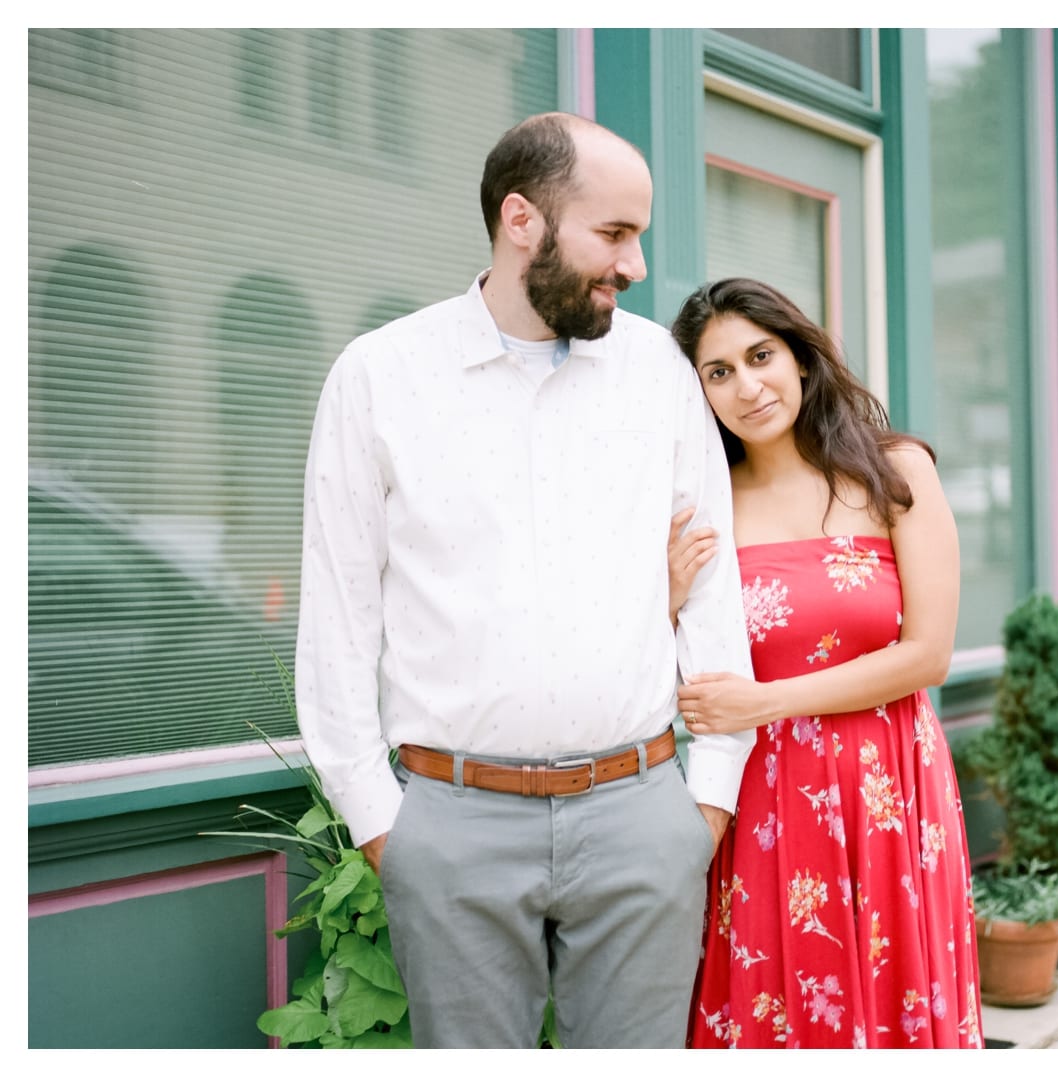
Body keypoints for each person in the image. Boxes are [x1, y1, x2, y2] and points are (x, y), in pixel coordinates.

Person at [294, 112, 755, 1049]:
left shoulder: (658, 373)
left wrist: (705, 802)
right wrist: (384, 824)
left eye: (639, 238)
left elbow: (713, 585)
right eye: (614, 234)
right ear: (522, 219)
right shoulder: (380, 376)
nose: (633, 266)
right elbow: (339, 619)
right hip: (451, 826)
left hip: (642, 816)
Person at [667, 278, 985, 1049]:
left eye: (760, 355)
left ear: (800, 358)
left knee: (891, 993)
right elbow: (664, 669)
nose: (747, 386)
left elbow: (928, 654)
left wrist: (766, 702)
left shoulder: (894, 471)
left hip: (888, 786)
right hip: (763, 797)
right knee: (774, 995)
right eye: (718, 372)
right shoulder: (706, 502)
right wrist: (667, 596)